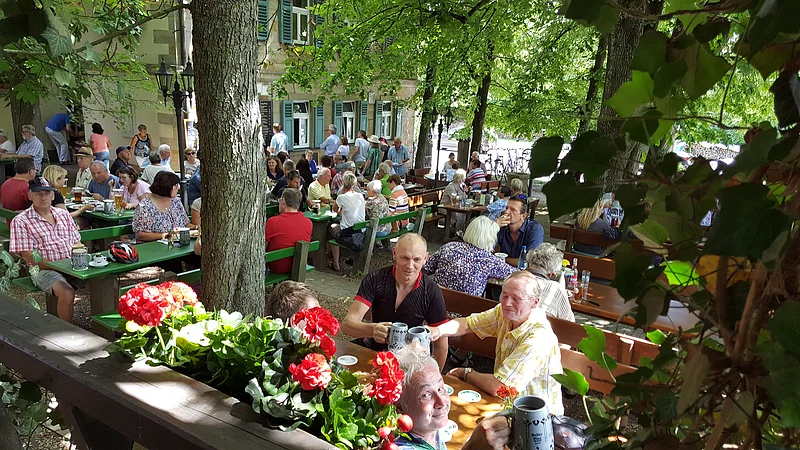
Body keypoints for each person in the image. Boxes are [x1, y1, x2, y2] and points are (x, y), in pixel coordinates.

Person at [429, 270, 564, 415]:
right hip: (506, 404)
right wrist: (437, 331)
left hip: (536, 418)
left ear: (534, 303)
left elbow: (500, 388)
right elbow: (468, 324)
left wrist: (466, 373)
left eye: (515, 299)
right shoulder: (505, 313)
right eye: (504, 295)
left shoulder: (538, 338)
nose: (506, 303)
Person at [341, 233, 449, 370]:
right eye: (404, 258)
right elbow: (347, 325)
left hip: (409, 360)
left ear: (425, 259)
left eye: (416, 259)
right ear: (394, 254)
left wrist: (434, 379)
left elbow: (442, 344)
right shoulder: (376, 279)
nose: (410, 266)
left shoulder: (431, 290)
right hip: (373, 350)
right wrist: (372, 330)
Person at [394, 348, 511, 450]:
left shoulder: (429, 432)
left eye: (440, 389)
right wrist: (472, 446)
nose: (441, 402)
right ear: (400, 408)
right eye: (426, 395)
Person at [10, 177, 81, 321]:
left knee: (105, 279)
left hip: (72, 265)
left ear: (53, 195)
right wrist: (59, 266)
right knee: (67, 292)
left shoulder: (63, 215)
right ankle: (68, 333)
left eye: (47, 193)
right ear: (30, 196)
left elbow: (77, 243)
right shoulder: (21, 220)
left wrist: (79, 260)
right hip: (43, 270)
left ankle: (110, 328)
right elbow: (29, 257)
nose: (43, 197)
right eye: (38, 194)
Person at [424, 217, 516, 297]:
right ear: (490, 239)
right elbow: (516, 274)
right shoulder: (487, 260)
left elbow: (425, 267)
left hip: (434, 307)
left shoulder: (449, 247)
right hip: (464, 314)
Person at [132, 171, 195, 242]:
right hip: (155, 247)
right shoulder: (145, 207)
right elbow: (140, 235)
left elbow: (186, 224)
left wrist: (196, 227)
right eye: (176, 185)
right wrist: (165, 235)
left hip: (178, 244)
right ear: (166, 186)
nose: (179, 187)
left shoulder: (176, 202)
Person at [265, 188, 313, 274]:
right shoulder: (308, 223)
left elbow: (263, 245)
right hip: (299, 266)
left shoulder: (273, 222)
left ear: (283, 201)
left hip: (277, 266)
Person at [526, 243, 575, 321]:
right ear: (551, 274)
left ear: (528, 263)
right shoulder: (556, 289)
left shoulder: (512, 278)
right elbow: (570, 323)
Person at [330, 173, 365, 271]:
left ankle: (335, 262)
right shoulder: (360, 196)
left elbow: (334, 210)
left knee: (330, 230)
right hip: (360, 231)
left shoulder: (341, 197)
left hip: (347, 234)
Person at [496, 194, 544, 266]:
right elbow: (484, 249)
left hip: (524, 273)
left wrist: (503, 259)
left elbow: (529, 262)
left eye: (512, 210)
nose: (506, 212)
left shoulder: (535, 229)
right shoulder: (500, 226)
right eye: (506, 208)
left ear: (523, 216)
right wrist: (494, 227)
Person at [442, 169, 468, 235]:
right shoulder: (451, 187)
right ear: (458, 181)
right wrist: (463, 195)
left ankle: (457, 231)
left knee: (464, 214)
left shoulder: (458, 186)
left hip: (454, 206)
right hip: (445, 207)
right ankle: (455, 232)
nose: (462, 182)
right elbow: (455, 198)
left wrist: (464, 191)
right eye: (461, 181)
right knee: (460, 215)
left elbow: (464, 196)